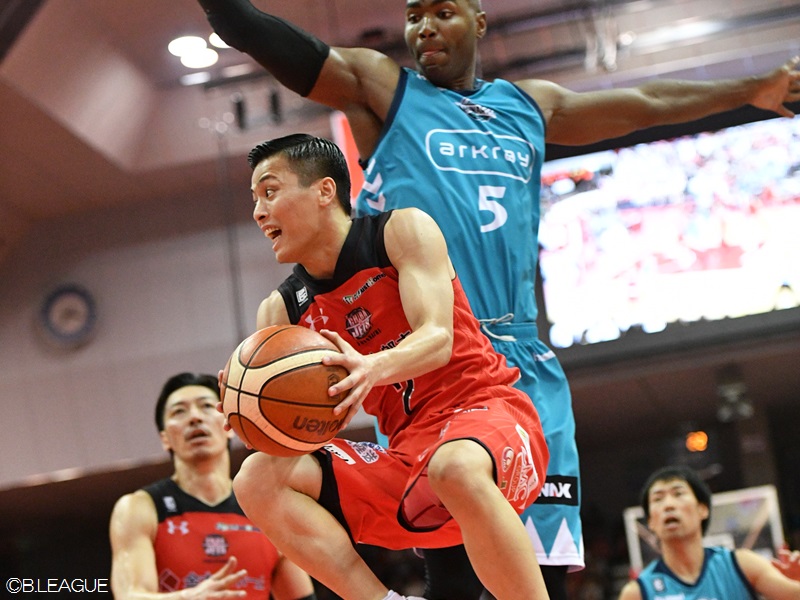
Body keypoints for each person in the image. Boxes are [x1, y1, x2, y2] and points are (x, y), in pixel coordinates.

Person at [194, 1, 800, 597]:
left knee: (542, 558)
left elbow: (645, 104)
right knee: (451, 574)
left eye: (443, 12)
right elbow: (274, 42)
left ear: (479, 21)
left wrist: (750, 89)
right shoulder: (386, 93)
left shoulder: (527, 106)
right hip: (412, 378)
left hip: (504, 363)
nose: (424, 27)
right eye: (413, 16)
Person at [232, 133, 550, 600]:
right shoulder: (280, 311)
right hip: (408, 464)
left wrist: (370, 367)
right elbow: (303, 429)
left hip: (488, 417)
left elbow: (437, 338)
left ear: (324, 191)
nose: (259, 212)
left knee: (455, 466)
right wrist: (253, 414)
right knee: (256, 478)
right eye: (255, 199)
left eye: (270, 192)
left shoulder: (400, 231)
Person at [109, 372, 317, 600]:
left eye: (206, 406)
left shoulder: (267, 510)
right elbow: (128, 595)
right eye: (179, 411)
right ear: (165, 438)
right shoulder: (139, 508)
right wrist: (187, 598)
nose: (194, 417)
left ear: (229, 426)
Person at [618, 465, 800, 600]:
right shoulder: (637, 593)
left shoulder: (743, 565)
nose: (668, 505)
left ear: (702, 509)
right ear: (650, 521)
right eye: (658, 499)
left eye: (678, 494)